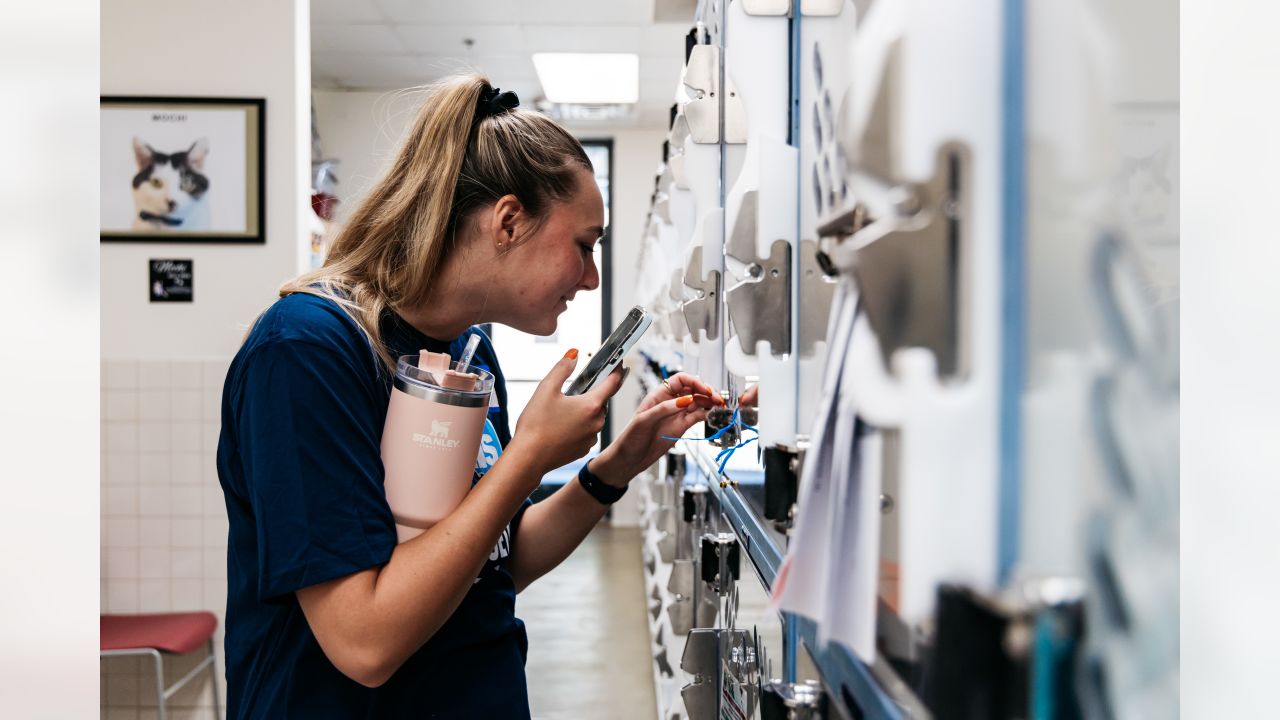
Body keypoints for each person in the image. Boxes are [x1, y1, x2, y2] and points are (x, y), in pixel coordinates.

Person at [215, 74, 722, 718]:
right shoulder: (308, 352)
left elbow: (496, 560)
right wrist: (530, 455)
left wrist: (611, 469)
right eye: (583, 246)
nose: (592, 279)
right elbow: (364, 643)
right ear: (508, 221)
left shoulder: (467, 348)